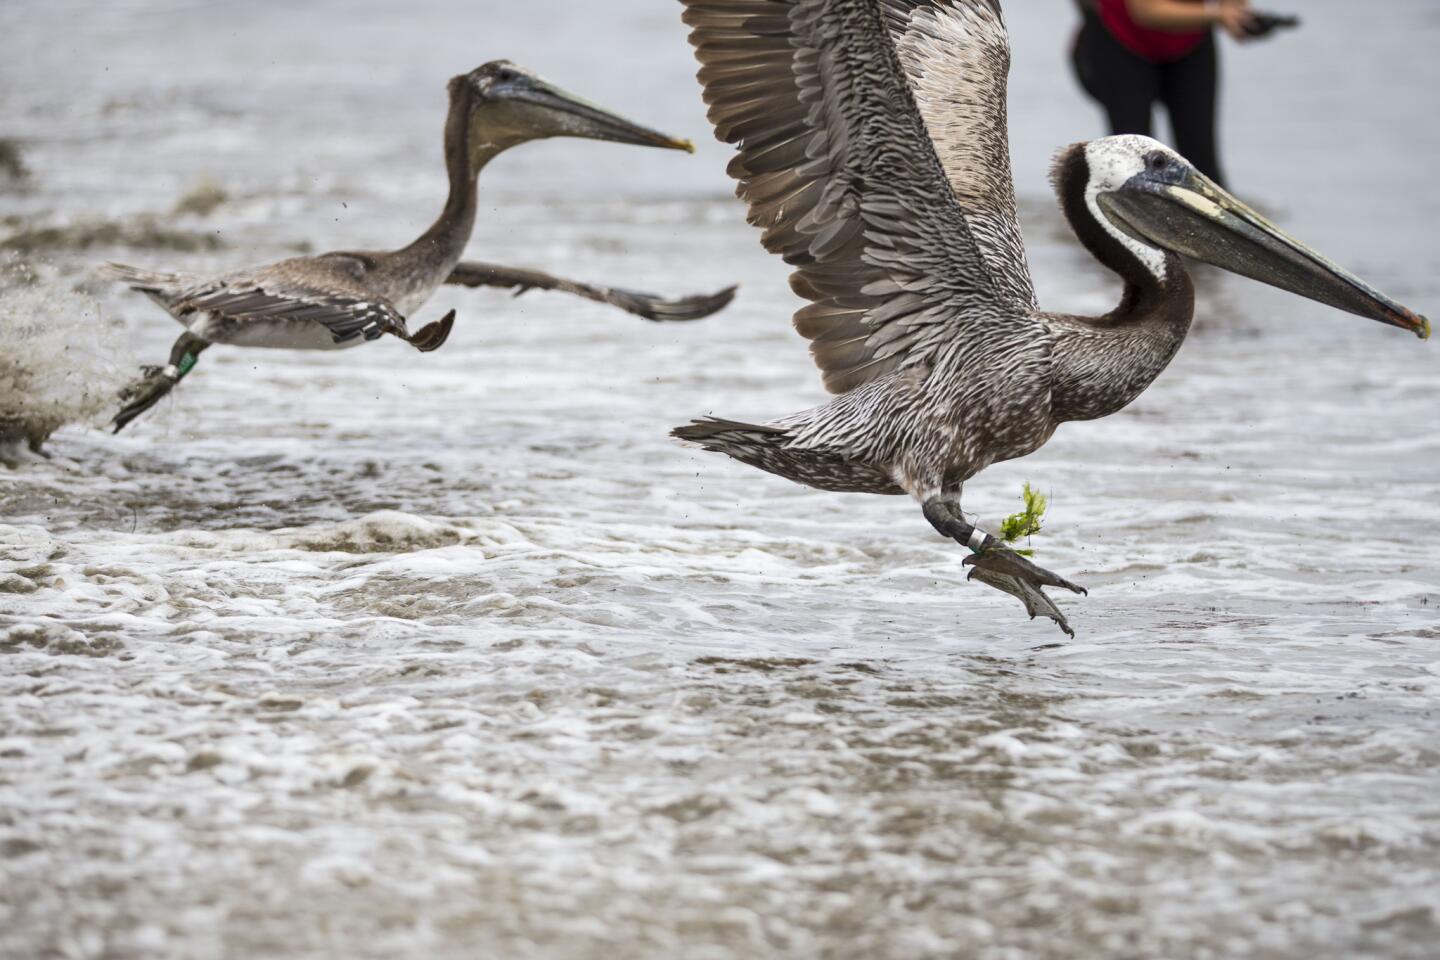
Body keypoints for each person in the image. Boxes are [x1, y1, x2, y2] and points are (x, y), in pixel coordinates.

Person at [1072, 0, 1258, 188]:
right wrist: (1218, 14)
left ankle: (1216, 216)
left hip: (1190, 40)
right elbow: (1146, 12)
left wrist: (1239, 20)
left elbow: (1232, 10)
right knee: (1133, 161)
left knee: (1201, 160)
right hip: (1121, 37)